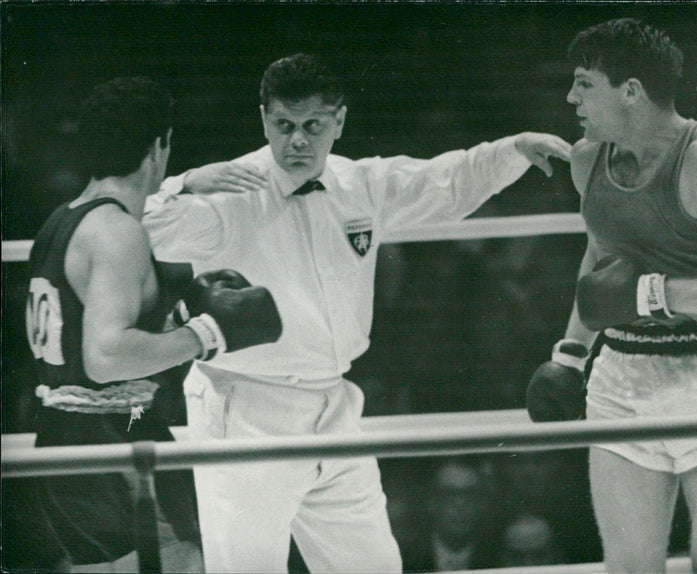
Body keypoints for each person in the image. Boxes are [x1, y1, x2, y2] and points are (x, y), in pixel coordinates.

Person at [141, 52, 571, 573]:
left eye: (312, 125)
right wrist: (182, 183)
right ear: (264, 120)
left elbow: (445, 181)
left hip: (334, 408)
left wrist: (515, 150)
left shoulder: (359, 185)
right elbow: (135, 230)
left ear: (338, 121)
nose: (297, 140)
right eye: (284, 125)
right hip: (246, 410)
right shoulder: (230, 192)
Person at [526, 18, 697, 573]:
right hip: (622, 375)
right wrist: (571, 352)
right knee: (628, 569)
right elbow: (602, 257)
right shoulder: (586, 159)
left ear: (631, 91)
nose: (571, 96)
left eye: (584, 83)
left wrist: (656, 295)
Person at [25, 76, 282, 572]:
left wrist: (183, 185)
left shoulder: (63, 221)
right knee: (190, 562)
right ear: (160, 144)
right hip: (112, 442)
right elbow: (106, 358)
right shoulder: (117, 233)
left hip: (67, 441)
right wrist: (206, 333)